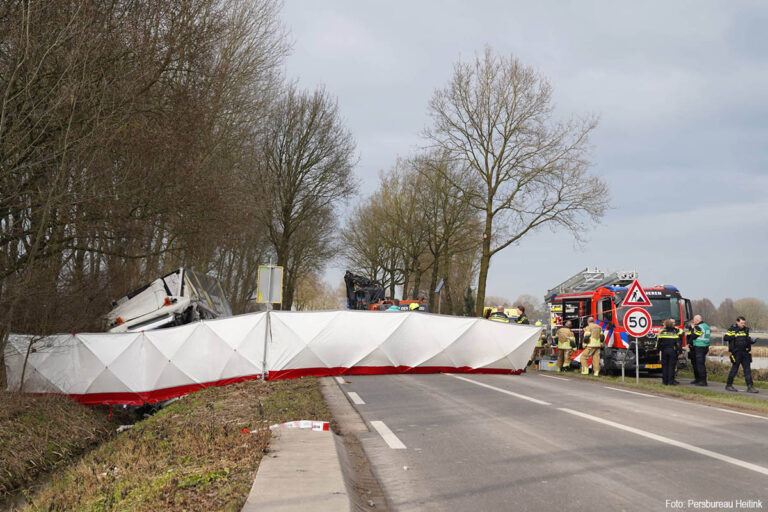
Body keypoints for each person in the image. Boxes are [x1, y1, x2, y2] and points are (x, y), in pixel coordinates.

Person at [724, 316, 758, 393]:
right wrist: (733, 336)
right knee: (734, 369)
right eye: (742, 323)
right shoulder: (732, 329)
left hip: (745, 352)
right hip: (736, 353)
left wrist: (752, 341)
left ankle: (750, 387)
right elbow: (725, 338)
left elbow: (748, 339)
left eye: (744, 323)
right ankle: (729, 385)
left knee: (747, 370)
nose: (743, 324)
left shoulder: (746, 330)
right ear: (737, 322)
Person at [657, 318, 682, 385]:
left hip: (664, 351)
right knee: (671, 367)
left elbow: (659, 343)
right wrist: (680, 352)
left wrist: (658, 351)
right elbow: (678, 344)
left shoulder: (662, 332)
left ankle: (664, 382)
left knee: (664, 366)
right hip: (672, 351)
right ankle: (670, 382)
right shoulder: (674, 333)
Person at [687, 314, 711, 386]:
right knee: (698, 364)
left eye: (694, 320)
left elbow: (693, 336)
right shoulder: (706, 326)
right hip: (705, 346)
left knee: (700, 365)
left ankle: (703, 381)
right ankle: (698, 379)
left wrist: (689, 343)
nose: (693, 322)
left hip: (699, 346)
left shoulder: (698, 327)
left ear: (697, 320)